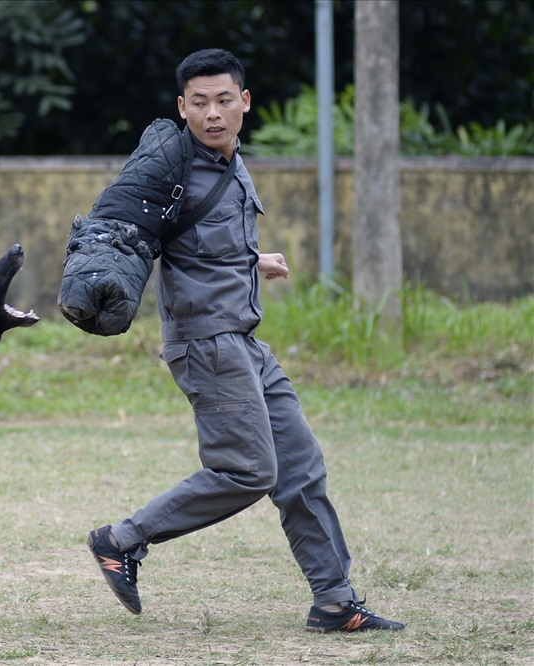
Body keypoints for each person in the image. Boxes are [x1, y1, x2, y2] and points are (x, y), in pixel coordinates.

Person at [85, 49, 405, 633]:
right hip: (207, 345)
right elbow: (129, 236)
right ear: (182, 108)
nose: (213, 113)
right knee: (248, 471)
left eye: (224, 100)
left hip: (245, 343)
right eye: (199, 103)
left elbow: (202, 246)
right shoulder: (172, 171)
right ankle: (122, 540)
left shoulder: (232, 164)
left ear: (244, 102)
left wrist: (253, 261)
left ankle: (334, 602)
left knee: (300, 467)